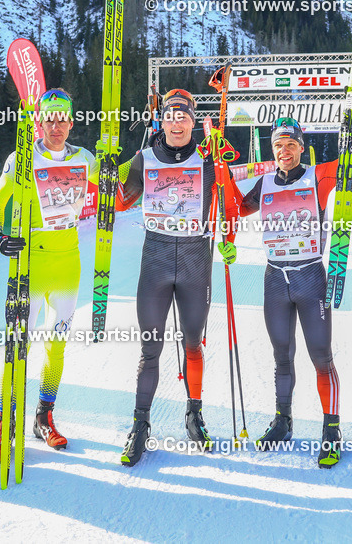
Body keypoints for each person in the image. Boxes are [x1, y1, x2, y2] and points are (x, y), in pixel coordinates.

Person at [226, 111, 352, 468]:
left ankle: (331, 430)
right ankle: (283, 421)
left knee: (321, 357)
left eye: (290, 144)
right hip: (275, 278)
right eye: (278, 145)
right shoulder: (264, 184)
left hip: (309, 277)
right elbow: (233, 209)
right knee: (281, 356)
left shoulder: (317, 177)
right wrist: (219, 167)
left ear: (301, 148)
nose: (284, 151)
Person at [114, 89, 236, 467]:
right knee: (150, 348)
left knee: (193, 344)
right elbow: (120, 201)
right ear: (162, 120)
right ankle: (140, 425)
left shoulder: (209, 158)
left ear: (193, 122)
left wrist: (229, 237)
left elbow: (230, 200)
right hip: (156, 260)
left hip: (196, 262)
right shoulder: (144, 159)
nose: (178, 122)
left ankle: (193, 414)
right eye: (171, 115)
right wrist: (109, 172)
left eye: (184, 116)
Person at [0, 89, 98, 462]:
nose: (56, 126)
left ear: (71, 121)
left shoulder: (85, 158)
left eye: (62, 118)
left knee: (57, 344)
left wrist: (137, 147)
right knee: (18, 346)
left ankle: (44, 417)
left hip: (68, 264)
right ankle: (5, 422)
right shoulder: (22, 158)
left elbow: (117, 181)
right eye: (49, 119)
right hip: (30, 265)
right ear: (40, 123)